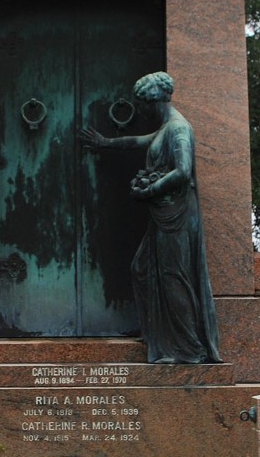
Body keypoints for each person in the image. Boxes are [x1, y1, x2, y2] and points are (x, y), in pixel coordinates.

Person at [80, 72, 220, 364]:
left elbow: (183, 172)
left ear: (154, 100)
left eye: (143, 104)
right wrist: (106, 142)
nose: (141, 110)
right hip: (165, 214)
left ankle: (189, 348)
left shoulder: (179, 129)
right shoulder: (166, 127)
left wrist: (150, 190)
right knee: (144, 268)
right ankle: (165, 338)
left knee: (174, 278)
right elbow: (137, 142)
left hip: (176, 216)